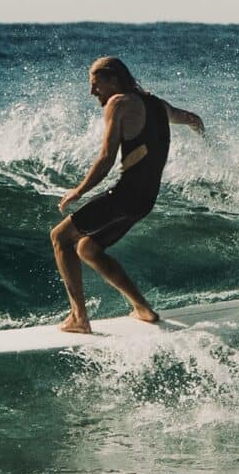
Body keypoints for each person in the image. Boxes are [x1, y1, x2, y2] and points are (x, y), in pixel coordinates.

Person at [51, 56, 204, 333]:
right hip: (144, 201)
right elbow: (193, 119)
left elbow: (106, 158)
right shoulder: (158, 105)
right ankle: (143, 309)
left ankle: (78, 318)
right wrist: (207, 144)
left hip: (125, 195)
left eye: (96, 85)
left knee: (60, 237)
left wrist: (79, 190)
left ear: (114, 80)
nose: (92, 92)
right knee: (88, 248)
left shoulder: (118, 103)